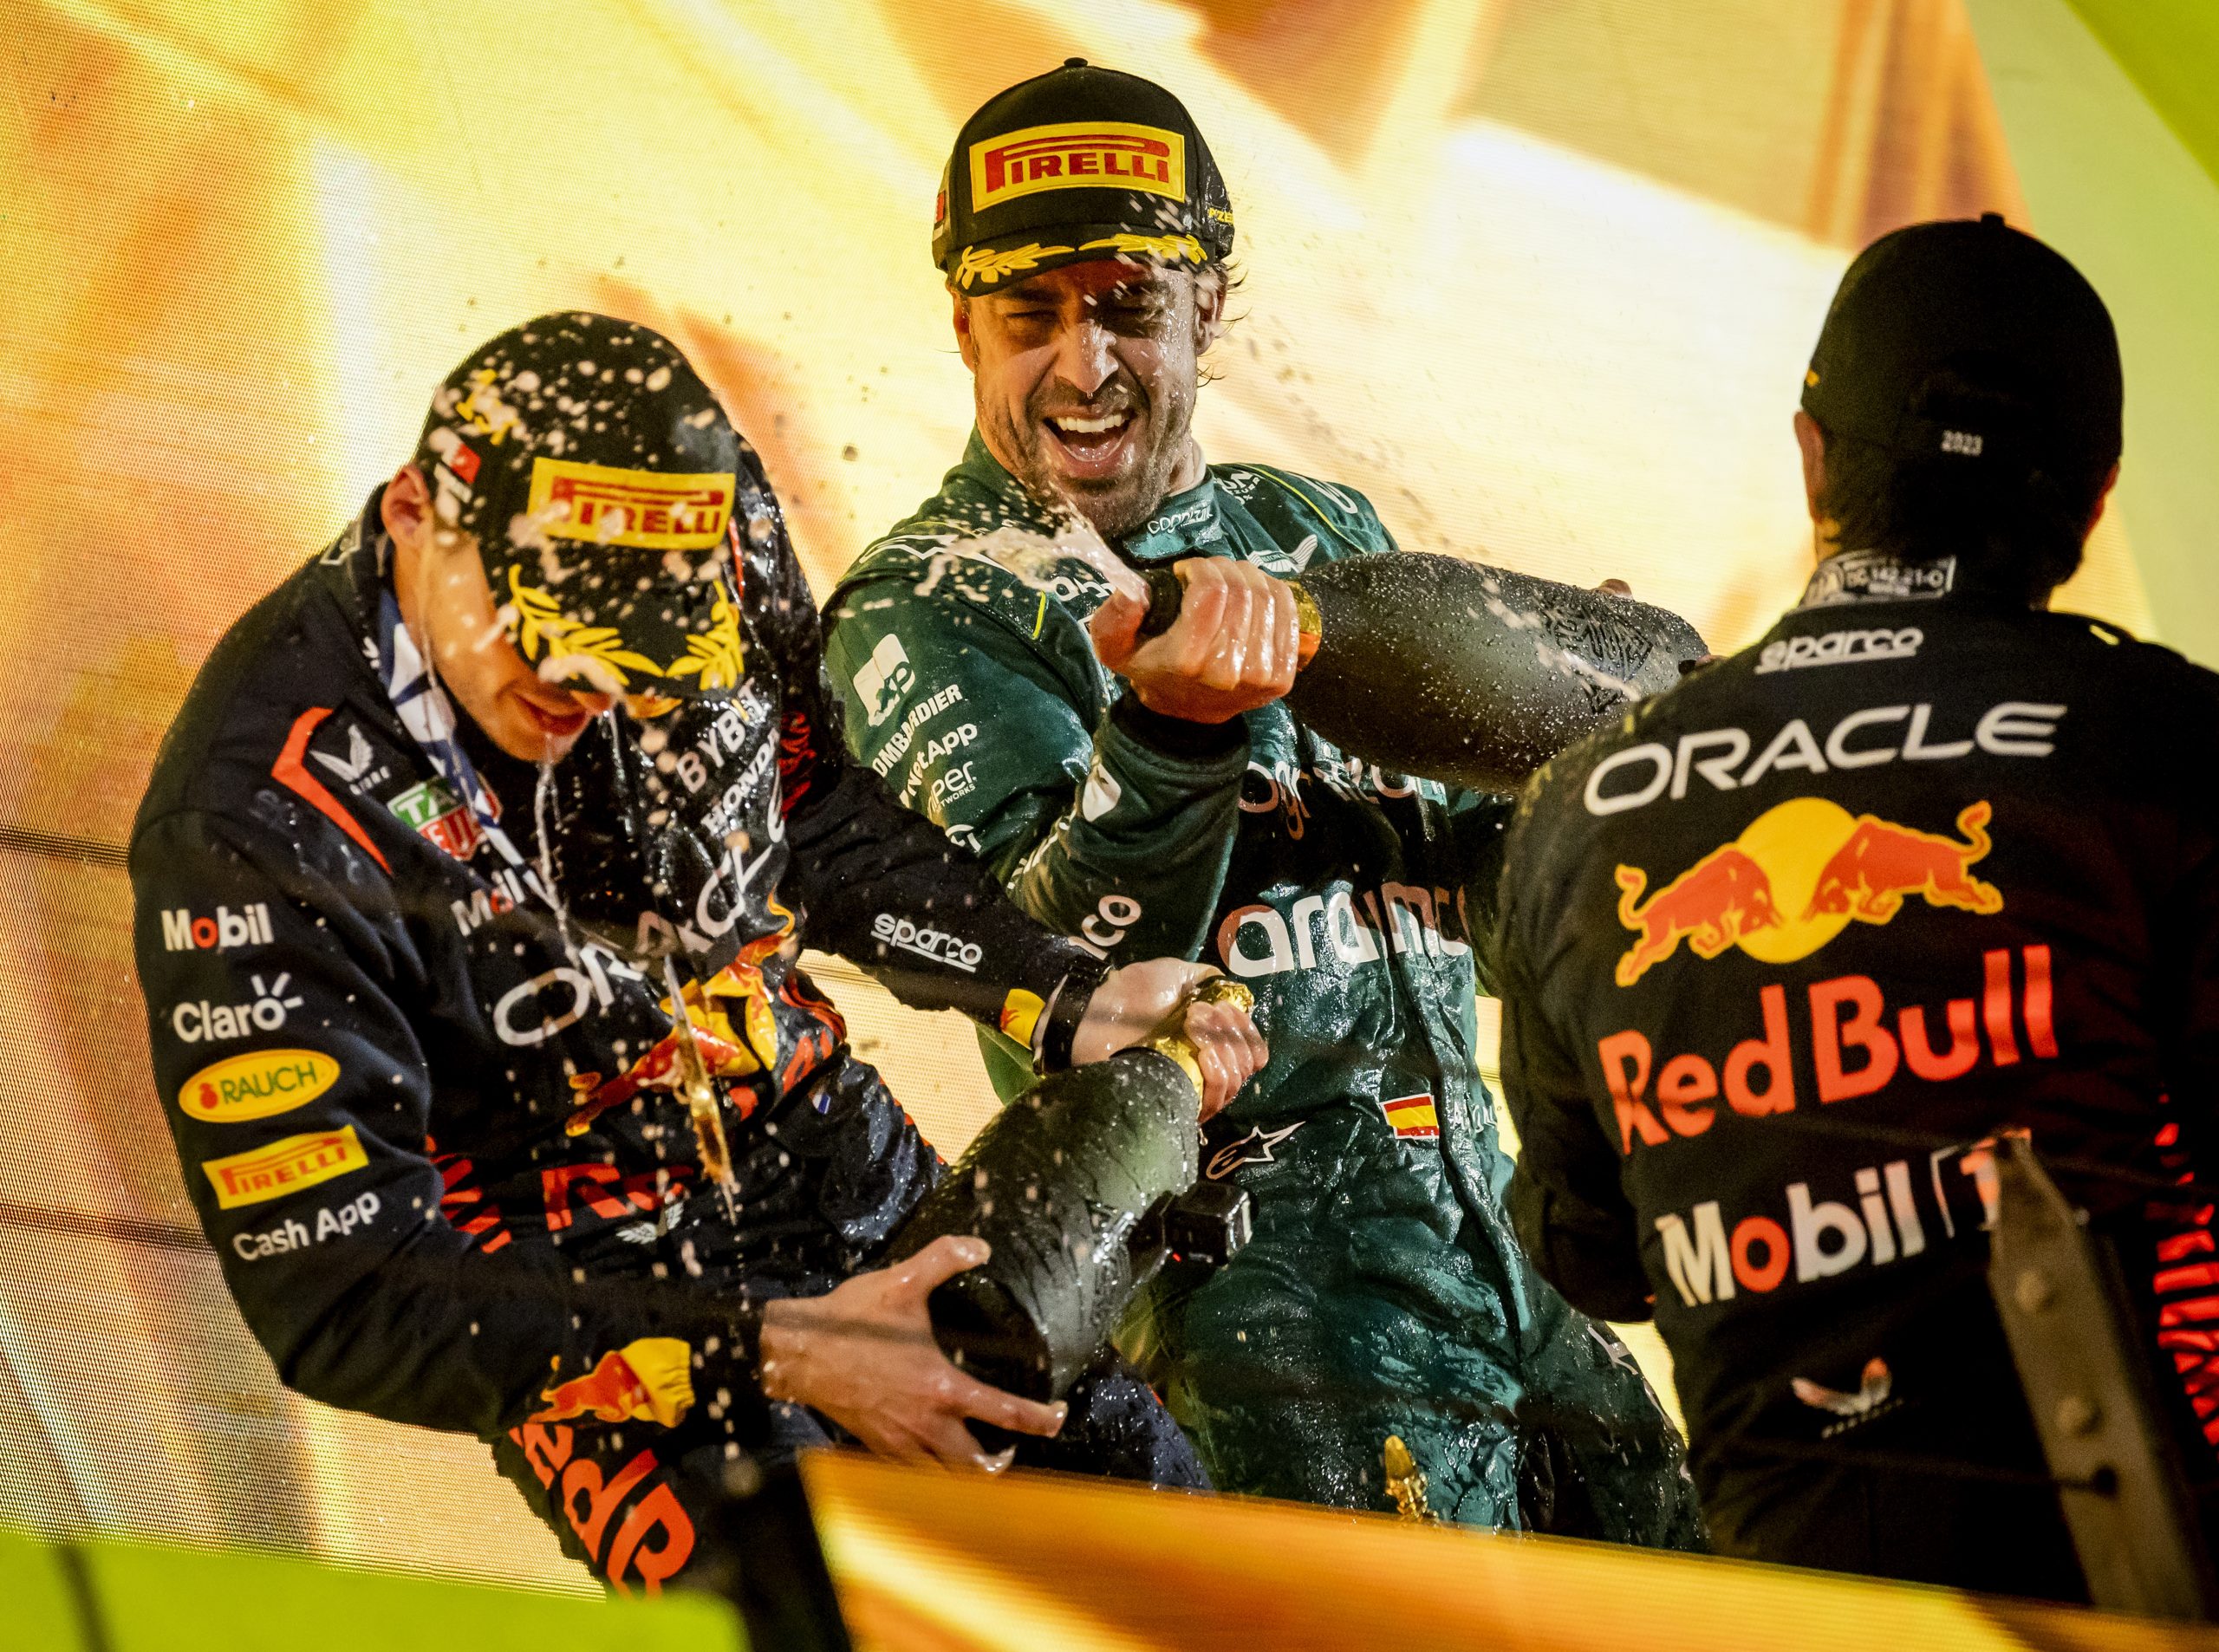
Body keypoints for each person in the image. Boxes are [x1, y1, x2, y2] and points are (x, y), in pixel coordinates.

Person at [130, 313, 1267, 1596]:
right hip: (578, 1278)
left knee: (1181, 1569)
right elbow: (338, 1292)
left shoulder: (716, 512)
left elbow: (811, 809)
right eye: (550, 649)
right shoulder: (252, 820)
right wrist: (783, 1349)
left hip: (822, 1134)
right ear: (412, 515)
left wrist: (1065, 990)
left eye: (644, 664)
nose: (594, 697)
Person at [823, 60, 1700, 1541]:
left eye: (1129, 308)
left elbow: (1467, 912)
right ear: (961, 322)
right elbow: (1054, 978)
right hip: (1261, 1308)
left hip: (1501, 1242)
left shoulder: (1320, 530)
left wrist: (1577, 771)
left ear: (1208, 309)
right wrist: (1174, 735)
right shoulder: (928, 607)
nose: (1083, 366)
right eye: (1031, 317)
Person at [1491, 215, 2219, 1597]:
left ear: (1813, 452)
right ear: (2096, 495)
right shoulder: (2170, 746)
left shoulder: (1578, 807)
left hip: (1786, 1594)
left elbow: (1589, 1254)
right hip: (2138, 1591)